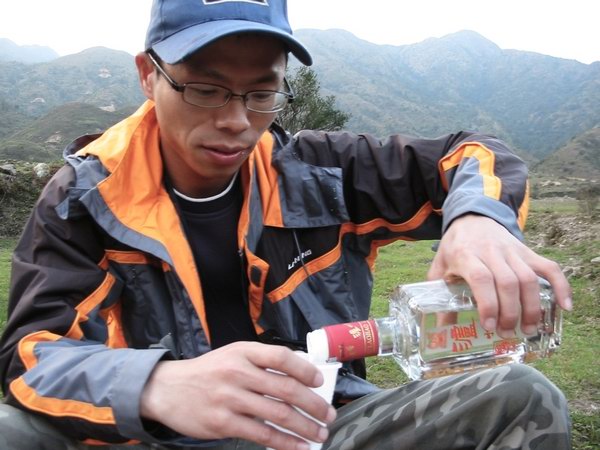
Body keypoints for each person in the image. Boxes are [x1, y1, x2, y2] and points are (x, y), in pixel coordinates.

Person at [0, 1, 572, 449]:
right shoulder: (85, 199)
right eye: (205, 90)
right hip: (156, 438)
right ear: (149, 75)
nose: (235, 120)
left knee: (519, 395)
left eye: (262, 93)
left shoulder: (321, 172)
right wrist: (153, 384)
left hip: (320, 428)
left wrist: (478, 218)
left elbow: (472, 153)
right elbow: (30, 357)